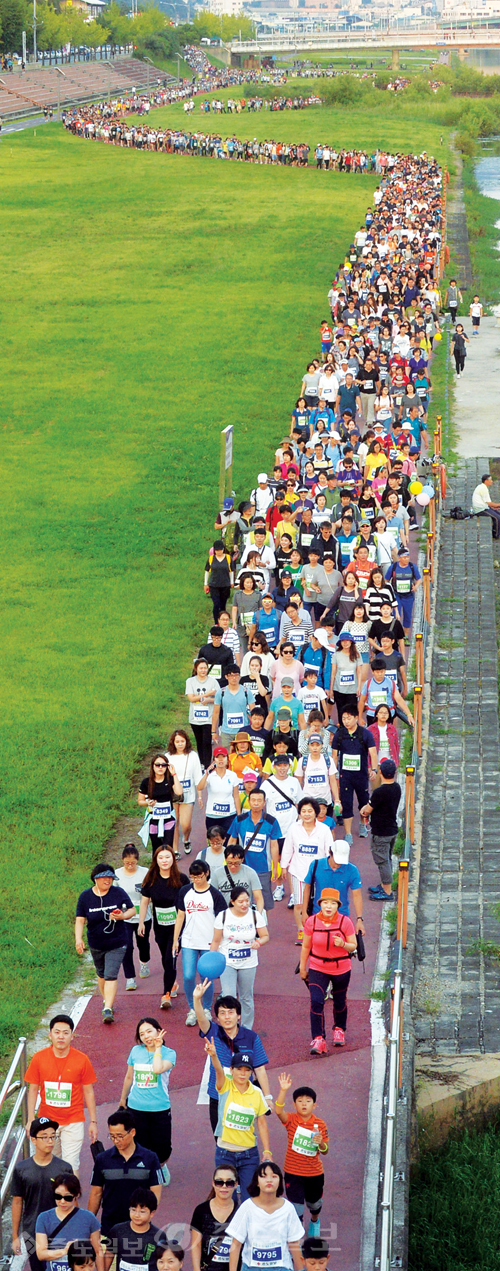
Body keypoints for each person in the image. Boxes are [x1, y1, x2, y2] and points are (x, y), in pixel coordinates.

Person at [194, 989, 271, 1135]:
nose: (227, 1017)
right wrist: (197, 1000)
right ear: (217, 1018)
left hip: (244, 1096)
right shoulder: (213, 1032)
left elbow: (260, 1069)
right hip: (218, 1096)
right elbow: (201, 1019)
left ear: (239, 1016)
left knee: (242, 1138)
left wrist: (267, 1097)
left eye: (231, 1012)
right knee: (220, 1140)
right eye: (222, 1013)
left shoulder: (251, 1038)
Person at [24, 1017, 97, 1172]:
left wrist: (93, 1122)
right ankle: (49, 1196)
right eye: (57, 1032)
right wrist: (31, 1119)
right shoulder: (39, 1058)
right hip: (47, 1121)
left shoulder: (82, 1060)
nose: (61, 1036)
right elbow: (32, 1089)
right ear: (50, 1035)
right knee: (47, 1163)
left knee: (70, 1166)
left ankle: (71, 1197)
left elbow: (89, 1091)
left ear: (72, 1035)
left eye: (65, 1033)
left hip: (73, 1121)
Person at [75, 865, 136, 1024]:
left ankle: (108, 1008)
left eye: (110, 877)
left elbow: (132, 911)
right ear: (95, 879)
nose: (108, 880)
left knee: (110, 974)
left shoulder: (118, 892)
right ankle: (105, 1000)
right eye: (104, 877)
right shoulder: (85, 897)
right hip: (96, 943)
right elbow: (80, 919)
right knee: (101, 974)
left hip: (118, 941)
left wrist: (122, 916)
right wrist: (78, 939)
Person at [11, 1117, 74, 1269]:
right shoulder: (21, 1169)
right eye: (44, 1137)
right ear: (33, 1139)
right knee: (37, 1267)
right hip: (31, 1233)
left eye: (53, 1136)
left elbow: (72, 1202)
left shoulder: (64, 1168)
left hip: (60, 1230)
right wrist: (15, 1237)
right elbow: (17, 1202)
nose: (50, 1141)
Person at [299, 888, 356, 1054]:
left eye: (332, 903)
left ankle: (339, 1028)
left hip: (341, 967)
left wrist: (343, 944)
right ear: (320, 904)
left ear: (338, 905)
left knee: (339, 1000)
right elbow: (306, 946)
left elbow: (354, 945)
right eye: (325, 903)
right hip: (318, 966)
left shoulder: (345, 922)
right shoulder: (312, 922)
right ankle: (318, 1038)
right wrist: (303, 967)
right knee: (316, 1000)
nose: (328, 906)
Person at [88, 1110, 163, 1236]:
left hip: (139, 1227)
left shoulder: (150, 1158)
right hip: (109, 1226)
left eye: (120, 1136)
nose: (116, 1140)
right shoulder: (102, 1159)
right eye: (112, 1136)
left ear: (132, 1132)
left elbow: (155, 1192)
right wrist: (89, 1223)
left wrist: (146, 1216)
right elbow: (96, 1193)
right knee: (107, 1255)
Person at [173, 860, 227, 1025]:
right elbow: (180, 915)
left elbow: (221, 920)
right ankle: (192, 1008)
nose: (196, 880)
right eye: (193, 877)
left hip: (208, 942)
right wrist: (176, 939)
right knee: (188, 976)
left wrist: (216, 943)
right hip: (189, 940)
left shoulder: (215, 895)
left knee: (206, 977)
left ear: (207, 873)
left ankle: (206, 1008)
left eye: (199, 877)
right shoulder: (185, 891)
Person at [273, 1076, 328, 1238]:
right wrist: (283, 1090)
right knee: (295, 1207)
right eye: (300, 1101)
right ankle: (297, 1237)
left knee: (314, 1203)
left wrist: (320, 1143)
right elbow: (278, 1111)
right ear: (294, 1104)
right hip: (293, 1172)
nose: (304, 1104)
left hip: (314, 1173)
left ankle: (315, 1221)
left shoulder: (321, 1124)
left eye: (308, 1101)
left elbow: (325, 1150)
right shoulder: (291, 1120)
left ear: (314, 1104)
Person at [226, 1162, 304, 1271]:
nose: (269, 1180)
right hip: (251, 1268)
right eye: (263, 1176)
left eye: (274, 1176)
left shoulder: (288, 1208)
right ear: (256, 1182)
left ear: (280, 1181)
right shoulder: (247, 1207)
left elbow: (294, 1243)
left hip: (282, 1268)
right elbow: (236, 1243)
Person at [118, 1019, 176, 1167]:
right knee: (139, 1145)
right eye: (141, 1034)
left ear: (158, 1030)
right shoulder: (136, 1051)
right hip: (136, 1107)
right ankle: (144, 1174)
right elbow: (129, 1076)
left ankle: (161, 1167)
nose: (146, 1036)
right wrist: (123, 1098)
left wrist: (158, 1048)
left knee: (162, 1149)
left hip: (159, 1108)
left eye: (149, 1031)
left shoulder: (169, 1053)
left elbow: (157, 1069)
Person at [139, 847, 189, 1010]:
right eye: (161, 857)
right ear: (156, 860)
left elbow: (189, 900)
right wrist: (141, 923)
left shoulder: (181, 879)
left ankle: (166, 994)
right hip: (160, 926)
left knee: (170, 958)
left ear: (173, 859)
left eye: (168, 857)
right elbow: (144, 902)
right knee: (165, 956)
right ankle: (172, 983)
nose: (165, 860)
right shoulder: (151, 879)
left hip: (178, 926)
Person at [211, 886, 269, 1027]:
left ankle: (246, 1029)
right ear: (232, 901)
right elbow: (216, 941)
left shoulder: (255, 916)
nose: (244, 904)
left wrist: (258, 942)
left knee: (246, 997)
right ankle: (230, 1027)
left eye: (247, 901)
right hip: (228, 962)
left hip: (248, 962)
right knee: (229, 996)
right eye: (240, 902)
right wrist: (212, 962)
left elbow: (265, 936)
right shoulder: (223, 916)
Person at [281, 798, 333, 944]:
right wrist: (284, 866)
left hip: (319, 873)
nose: (307, 814)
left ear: (316, 812)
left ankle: (317, 930)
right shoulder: (293, 829)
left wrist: (329, 870)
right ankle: (301, 931)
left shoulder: (324, 830)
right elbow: (288, 848)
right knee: (298, 903)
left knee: (318, 903)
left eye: (310, 811)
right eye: (303, 811)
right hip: (298, 871)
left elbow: (329, 851)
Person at [329, 706, 379, 845]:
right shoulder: (339, 734)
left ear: (356, 718)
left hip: (361, 775)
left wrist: (374, 769)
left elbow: (373, 753)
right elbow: (334, 755)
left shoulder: (365, 734)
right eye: (344, 718)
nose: (346, 721)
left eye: (349, 718)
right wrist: (334, 772)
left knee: (363, 801)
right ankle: (348, 833)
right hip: (345, 776)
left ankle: (363, 824)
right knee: (346, 803)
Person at [227, 788, 281, 912]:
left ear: (264, 803)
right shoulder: (239, 820)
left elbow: (274, 845)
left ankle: (262, 927)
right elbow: (232, 841)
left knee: (264, 902)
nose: (256, 803)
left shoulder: (271, 822)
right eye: (253, 800)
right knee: (242, 900)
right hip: (243, 867)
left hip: (263, 869)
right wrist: (228, 861)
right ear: (249, 801)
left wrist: (274, 866)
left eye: (259, 800)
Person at [35, 1174, 102, 1270]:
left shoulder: (88, 1218)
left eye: (68, 1198)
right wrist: (65, 1251)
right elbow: (41, 1254)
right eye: (58, 1196)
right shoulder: (44, 1218)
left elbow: (97, 1251)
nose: (62, 1201)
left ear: (76, 1196)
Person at [302, 839, 364, 937]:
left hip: (341, 916)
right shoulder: (316, 865)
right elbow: (307, 888)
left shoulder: (352, 870)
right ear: (330, 852)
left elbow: (357, 895)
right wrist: (304, 911)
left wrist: (359, 919)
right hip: (317, 915)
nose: (338, 864)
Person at [361, 757, 401, 901]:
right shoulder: (397, 788)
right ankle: (384, 885)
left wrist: (363, 810)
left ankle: (388, 891)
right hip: (392, 829)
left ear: (381, 773)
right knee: (387, 858)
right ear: (395, 773)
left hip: (381, 832)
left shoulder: (379, 792)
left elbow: (367, 810)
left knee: (382, 860)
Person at [116, 845, 152, 992]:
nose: (130, 866)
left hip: (143, 916)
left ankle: (144, 962)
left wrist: (142, 915)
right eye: (126, 863)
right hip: (125, 917)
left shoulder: (145, 873)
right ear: (123, 861)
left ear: (137, 860)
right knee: (127, 947)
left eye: (132, 863)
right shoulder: (117, 875)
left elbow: (149, 894)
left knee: (142, 944)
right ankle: (130, 978)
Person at [191, 1164, 239, 1271]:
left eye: (229, 1183)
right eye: (219, 1182)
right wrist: (196, 1269)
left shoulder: (241, 1212)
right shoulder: (201, 1210)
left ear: (236, 1185)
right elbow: (196, 1245)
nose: (224, 1186)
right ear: (213, 1183)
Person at [103, 1187, 160, 1271]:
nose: (137, 1215)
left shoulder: (158, 1235)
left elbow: (162, 1260)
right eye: (133, 1210)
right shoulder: (117, 1231)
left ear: (152, 1213)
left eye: (142, 1212)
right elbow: (109, 1255)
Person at [167, 729, 203, 856]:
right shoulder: (167, 757)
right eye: (177, 741)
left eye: (182, 741)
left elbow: (198, 777)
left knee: (185, 824)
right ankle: (175, 850)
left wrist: (199, 796)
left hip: (188, 795)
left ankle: (186, 839)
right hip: (173, 795)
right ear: (173, 743)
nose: (180, 744)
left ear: (186, 742)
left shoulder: (192, 755)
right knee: (174, 822)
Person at [138, 756, 183, 852]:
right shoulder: (146, 782)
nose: (160, 767)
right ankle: (156, 866)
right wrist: (148, 803)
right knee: (156, 848)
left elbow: (179, 792)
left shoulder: (170, 779)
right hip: (153, 818)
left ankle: (169, 866)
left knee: (168, 847)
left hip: (168, 817)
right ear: (153, 766)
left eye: (163, 765)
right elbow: (140, 801)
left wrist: (174, 774)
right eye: (157, 765)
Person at [199, 747, 242, 840]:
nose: (221, 760)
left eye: (223, 757)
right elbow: (200, 787)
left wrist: (238, 815)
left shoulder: (232, 775)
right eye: (218, 757)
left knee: (228, 842)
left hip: (229, 815)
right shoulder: (210, 775)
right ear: (214, 760)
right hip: (212, 815)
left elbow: (236, 796)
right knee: (214, 842)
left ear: (227, 759)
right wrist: (206, 773)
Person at [186, 658, 219, 770]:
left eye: (205, 668)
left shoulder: (213, 681)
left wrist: (209, 700)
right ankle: (201, 764)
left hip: (208, 718)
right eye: (201, 668)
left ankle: (207, 765)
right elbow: (191, 698)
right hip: (195, 717)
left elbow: (218, 698)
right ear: (196, 669)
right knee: (199, 741)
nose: (203, 670)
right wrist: (207, 694)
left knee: (206, 741)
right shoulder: (190, 681)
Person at [212, 844, 264, 913]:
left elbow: (259, 898)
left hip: (245, 912)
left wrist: (258, 915)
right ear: (225, 859)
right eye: (229, 863)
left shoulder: (250, 873)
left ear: (242, 860)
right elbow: (212, 896)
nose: (233, 866)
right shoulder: (217, 873)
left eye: (237, 863)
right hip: (225, 913)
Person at [385, 546, 421, 640]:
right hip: (396, 595)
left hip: (408, 596)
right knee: (395, 615)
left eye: (408, 557)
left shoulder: (412, 567)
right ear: (399, 558)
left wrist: (416, 586)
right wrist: (389, 590)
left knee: (408, 616)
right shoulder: (393, 567)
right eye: (404, 557)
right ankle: (394, 635)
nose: (406, 559)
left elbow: (419, 579)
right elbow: (386, 580)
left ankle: (405, 636)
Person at [213, 666, 253, 749]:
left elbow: (253, 711)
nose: (234, 678)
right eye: (231, 675)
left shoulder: (246, 691)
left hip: (243, 731)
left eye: (236, 675)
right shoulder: (221, 692)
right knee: (228, 758)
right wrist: (213, 731)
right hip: (226, 732)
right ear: (226, 677)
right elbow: (216, 713)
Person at [472, 473, 500, 539]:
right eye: (490, 480)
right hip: (480, 509)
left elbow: (488, 503)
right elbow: (489, 503)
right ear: (486, 481)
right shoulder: (483, 489)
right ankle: (496, 535)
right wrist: (498, 505)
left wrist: (495, 507)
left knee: (498, 513)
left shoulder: (482, 487)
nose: (492, 481)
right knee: (497, 518)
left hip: (484, 506)